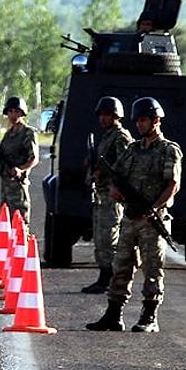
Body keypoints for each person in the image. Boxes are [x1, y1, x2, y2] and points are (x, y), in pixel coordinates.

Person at [86, 97, 182, 333]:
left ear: (156, 121)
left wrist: (155, 207)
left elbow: (173, 184)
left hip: (152, 219)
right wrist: (115, 191)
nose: (139, 125)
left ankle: (149, 316)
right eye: (137, 120)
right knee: (121, 265)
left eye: (143, 120)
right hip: (130, 217)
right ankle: (113, 315)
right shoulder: (132, 149)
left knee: (152, 268)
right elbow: (115, 175)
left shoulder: (169, 149)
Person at [81, 96, 133, 294]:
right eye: (101, 115)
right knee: (100, 237)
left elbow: (125, 164)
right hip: (102, 193)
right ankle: (104, 276)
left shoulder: (120, 137)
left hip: (113, 194)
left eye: (107, 115)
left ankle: (110, 278)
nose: (103, 119)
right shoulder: (107, 136)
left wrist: (105, 173)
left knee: (108, 237)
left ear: (116, 116)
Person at [0, 96, 39, 226]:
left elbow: (34, 158)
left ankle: (22, 246)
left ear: (22, 113)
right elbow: (3, 153)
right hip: (5, 184)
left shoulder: (28, 133)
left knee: (20, 221)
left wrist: (21, 169)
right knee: (6, 222)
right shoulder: (8, 134)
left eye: (16, 111)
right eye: (10, 111)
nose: (13, 115)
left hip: (17, 184)